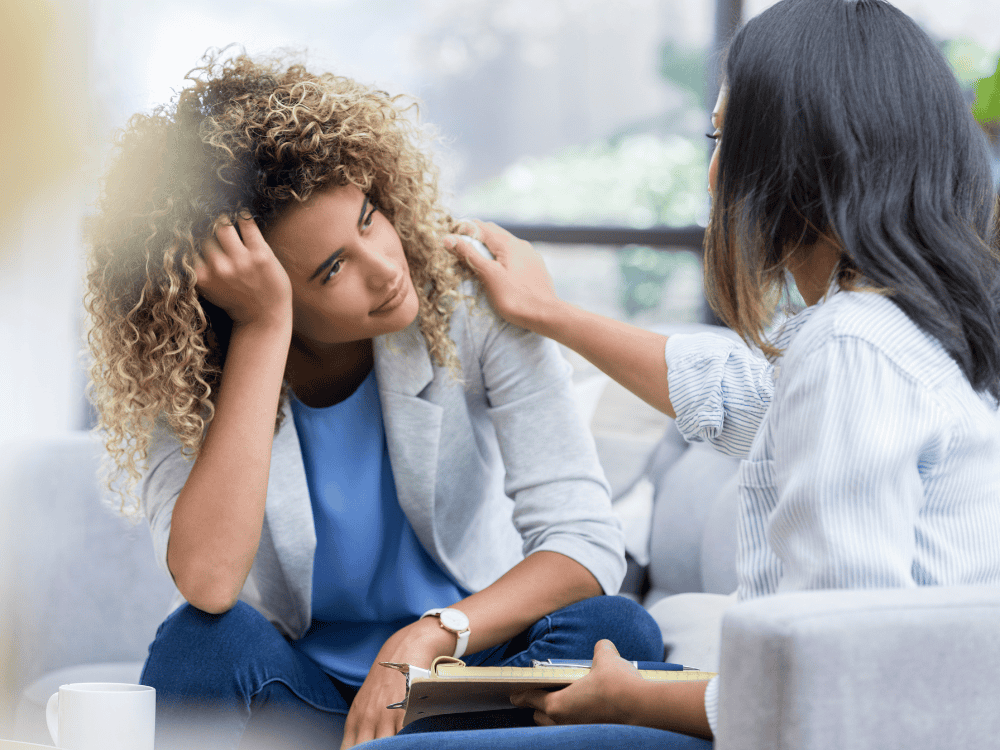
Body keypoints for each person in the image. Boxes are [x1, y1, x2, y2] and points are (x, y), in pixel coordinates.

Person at [364, 0, 1000, 747]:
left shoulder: (852, 347)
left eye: (724, 136)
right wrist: (550, 314)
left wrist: (632, 701)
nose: (712, 172)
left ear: (798, 155)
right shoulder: (894, 336)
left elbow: (834, 678)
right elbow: (740, 399)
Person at [84, 51, 664, 750]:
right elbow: (207, 583)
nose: (386, 268)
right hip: (304, 696)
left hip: (462, 682)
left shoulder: (471, 302)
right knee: (199, 643)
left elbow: (584, 540)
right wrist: (265, 330)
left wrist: (433, 633)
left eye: (368, 218)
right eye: (332, 270)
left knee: (617, 630)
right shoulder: (184, 371)